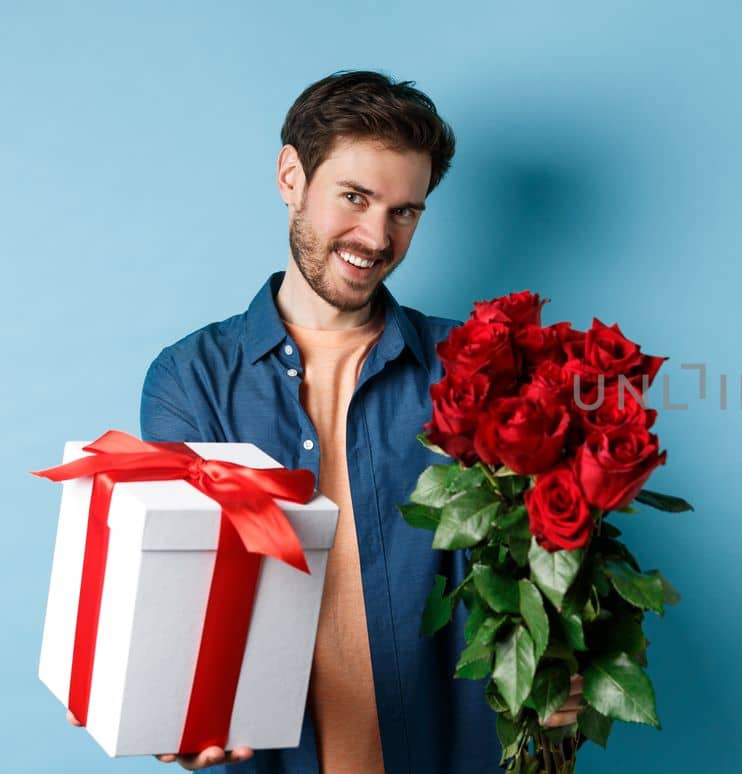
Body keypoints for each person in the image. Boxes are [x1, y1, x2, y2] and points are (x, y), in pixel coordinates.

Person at [64, 70, 583, 772]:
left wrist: (561, 679)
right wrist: (177, 711)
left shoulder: (473, 363)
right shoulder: (192, 379)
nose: (376, 236)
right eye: (355, 197)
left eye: (405, 211)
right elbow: (180, 590)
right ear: (290, 176)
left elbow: (538, 565)